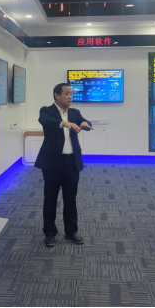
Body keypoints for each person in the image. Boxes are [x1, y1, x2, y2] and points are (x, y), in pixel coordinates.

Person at [35, 83, 93, 248]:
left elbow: (84, 121)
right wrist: (65, 123)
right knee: (50, 198)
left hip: (71, 162)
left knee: (70, 198)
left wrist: (84, 124)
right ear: (56, 95)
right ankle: (49, 232)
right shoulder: (46, 110)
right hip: (52, 162)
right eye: (66, 93)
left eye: (71, 94)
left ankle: (71, 230)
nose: (70, 97)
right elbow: (46, 122)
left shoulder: (74, 112)